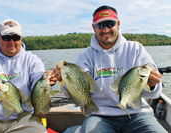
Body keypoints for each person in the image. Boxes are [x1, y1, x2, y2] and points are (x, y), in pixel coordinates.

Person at [53, 5, 167, 133]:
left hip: (137, 114)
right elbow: (77, 93)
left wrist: (152, 85)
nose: (105, 29)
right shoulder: (86, 56)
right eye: (100, 25)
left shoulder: (136, 49)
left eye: (110, 24)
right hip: (100, 115)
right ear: (93, 28)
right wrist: (66, 81)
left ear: (118, 24)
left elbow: (154, 94)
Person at [0, 19, 57, 133]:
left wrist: (45, 79)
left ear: (21, 38)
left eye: (16, 37)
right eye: (6, 37)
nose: (11, 41)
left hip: (21, 119)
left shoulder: (31, 60)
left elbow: (38, 76)